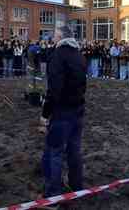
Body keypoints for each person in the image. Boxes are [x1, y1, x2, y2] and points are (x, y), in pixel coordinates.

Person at [42, 26, 86, 206]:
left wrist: (45, 114)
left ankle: (53, 196)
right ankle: (77, 187)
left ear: (60, 37)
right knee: (74, 150)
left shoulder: (58, 55)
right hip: (78, 109)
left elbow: (54, 89)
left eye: (54, 36)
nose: (52, 38)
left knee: (55, 152)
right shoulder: (79, 55)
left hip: (62, 111)